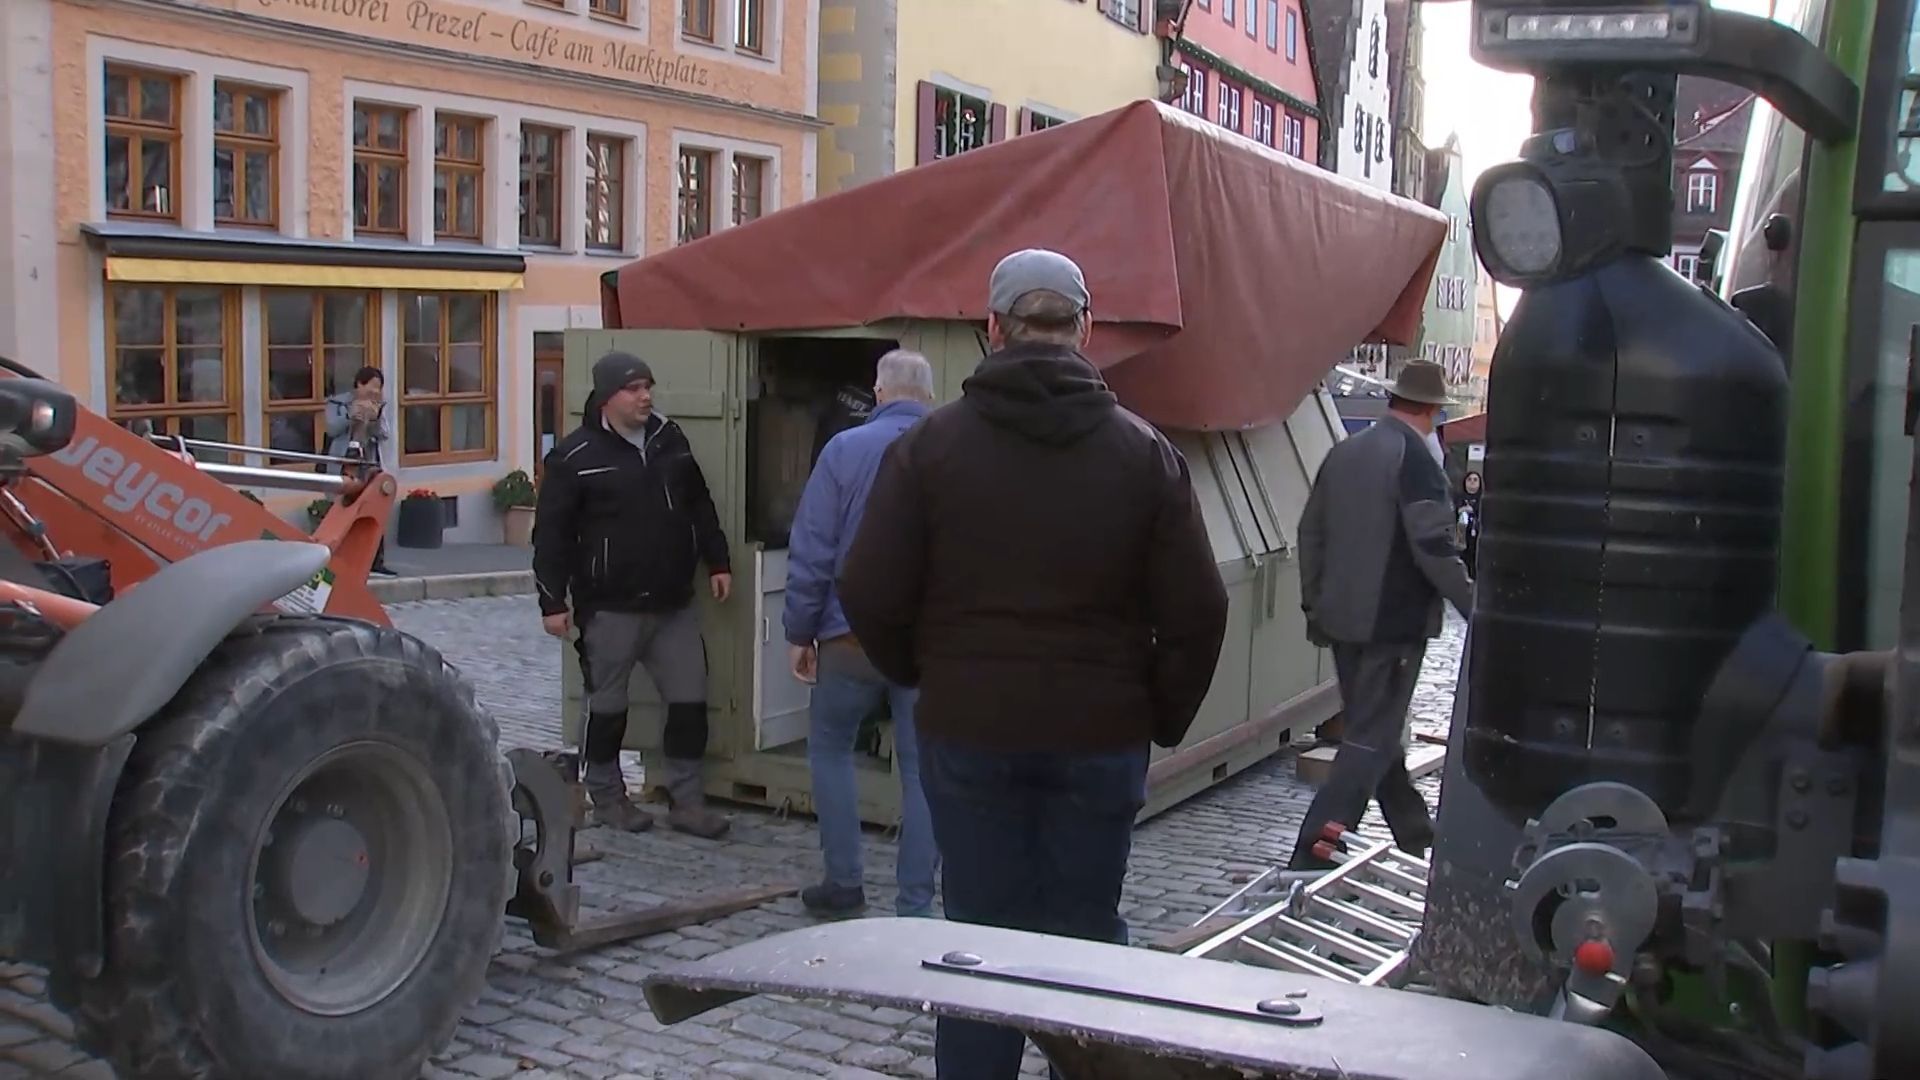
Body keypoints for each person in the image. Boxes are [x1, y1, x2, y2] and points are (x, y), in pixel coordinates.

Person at [839, 249, 1229, 1079]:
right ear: (1085, 329)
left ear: (992, 330)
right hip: (1100, 733)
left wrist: (927, 674)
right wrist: (1154, 711)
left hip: (971, 729)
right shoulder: (1143, 454)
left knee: (979, 940)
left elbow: (867, 589)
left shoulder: (930, 450)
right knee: (1087, 942)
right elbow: (1199, 610)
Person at [532, 350, 733, 839]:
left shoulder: (670, 440)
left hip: (672, 604)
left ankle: (686, 802)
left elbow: (699, 504)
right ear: (606, 397)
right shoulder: (574, 457)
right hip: (610, 607)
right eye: (634, 388)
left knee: (689, 701)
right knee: (607, 708)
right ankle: (608, 798)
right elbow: (551, 535)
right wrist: (552, 601)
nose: (646, 396)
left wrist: (718, 560)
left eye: (648, 386)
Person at [1290, 359, 1474, 870]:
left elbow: (1311, 534)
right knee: (1370, 738)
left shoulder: (1346, 452)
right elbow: (1434, 547)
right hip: (1391, 625)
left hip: (1341, 620)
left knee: (1376, 728)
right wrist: (1477, 609)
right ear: (1434, 412)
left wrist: (1315, 604)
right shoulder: (1417, 461)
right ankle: (1313, 848)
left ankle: (1415, 833)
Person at [783, 350, 939, 919]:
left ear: (879, 393)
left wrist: (801, 630)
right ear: (928, 394)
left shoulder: (843, 450)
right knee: (923, 769)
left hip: (850, 635)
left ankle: (844, 884)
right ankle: (916, 905)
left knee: (829, 750)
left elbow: (814, 548)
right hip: (928, 643)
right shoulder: (952, 450)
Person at [324, 366, 394, 575]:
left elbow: (385, 434)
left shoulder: (378, 405)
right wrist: (350, 418)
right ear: (359, 385)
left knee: (372, 506)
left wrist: (375, 419)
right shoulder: (337, 402)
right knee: (340, 507)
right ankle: (337, 558)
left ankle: (376, 561)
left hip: (368, 461)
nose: (374, 394)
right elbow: (331, 428)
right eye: (371, 389)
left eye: (378, 390)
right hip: (343, 461)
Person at [1459, 470, 1483, 578]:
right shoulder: (1459, 498)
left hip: (1477, 535)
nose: (1472, 482)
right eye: (1469, 480)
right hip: (1461, 535)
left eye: (1475, 480)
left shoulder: (1482, 500)